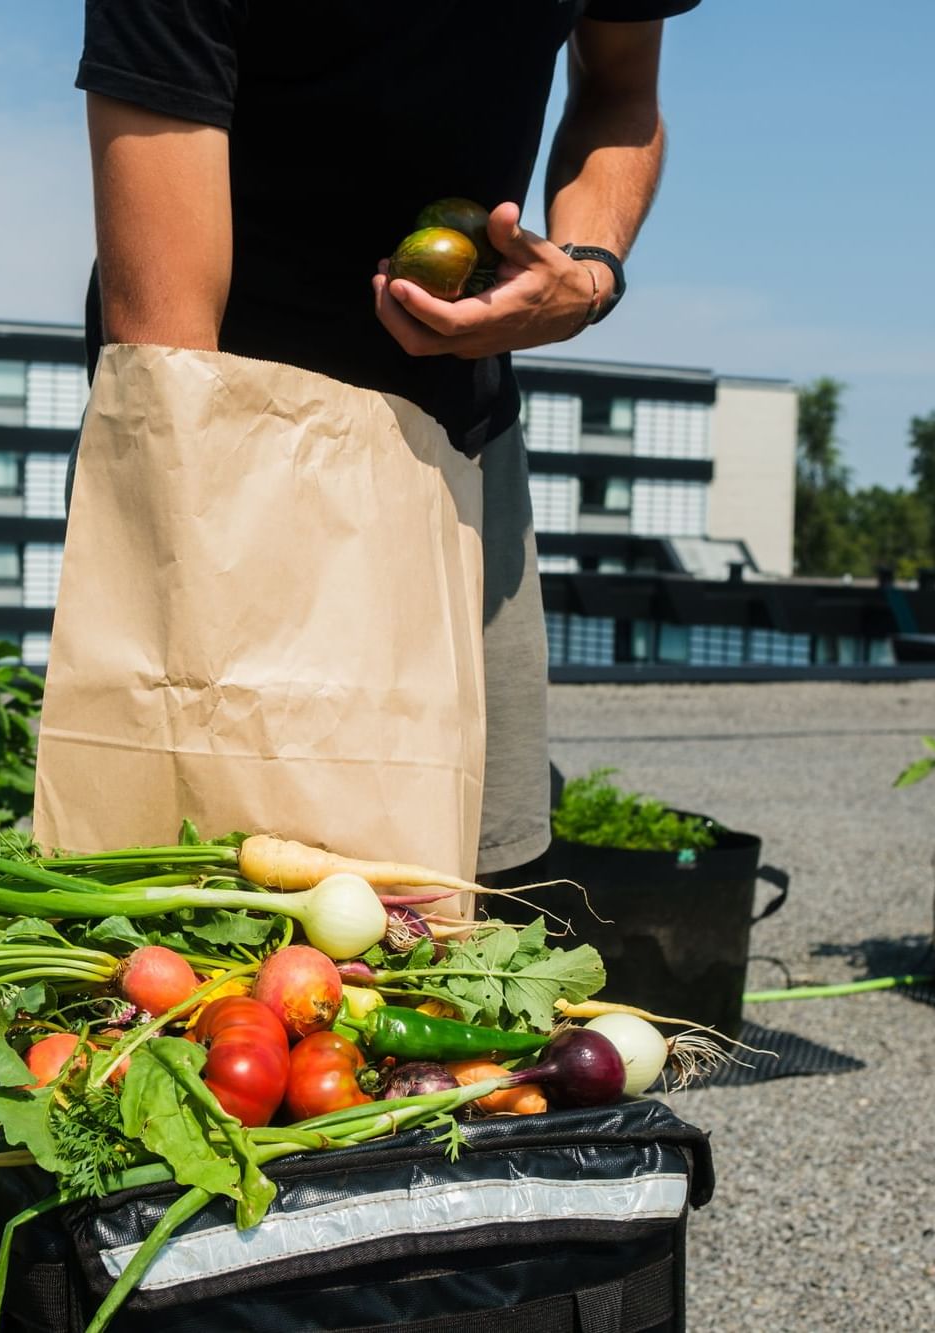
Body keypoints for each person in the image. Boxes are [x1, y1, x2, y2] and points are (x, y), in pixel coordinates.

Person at [75, 1, 700, 880]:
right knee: (197, 872)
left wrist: (588, 274)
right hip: (220, 437)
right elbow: (166, 345)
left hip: (460, 446)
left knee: (471, 880)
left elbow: (622, 90)